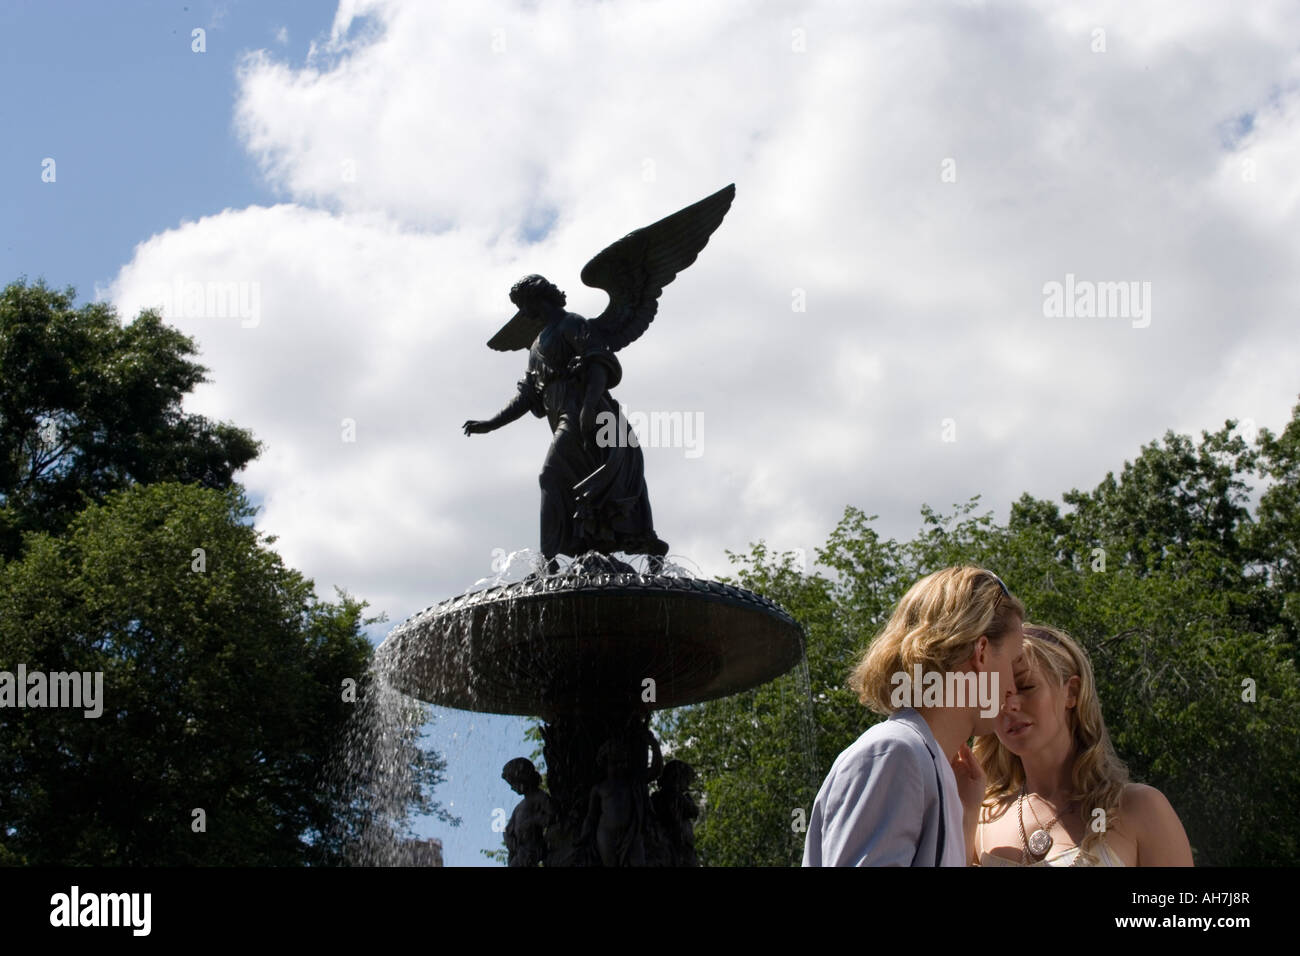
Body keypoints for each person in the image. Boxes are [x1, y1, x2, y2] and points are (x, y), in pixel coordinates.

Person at [803, 566, 1025, 866]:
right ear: (981, 652)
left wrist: (965, 813)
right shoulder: (895, 753)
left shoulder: (925, 762)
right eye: (1013, 663)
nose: (1012, 688)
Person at [967, 624, 1193, 866]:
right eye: (998, 693)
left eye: (1026, 687)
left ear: (1071, 692)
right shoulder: (981, 820)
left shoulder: (1138, 809)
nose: (1009, 705)